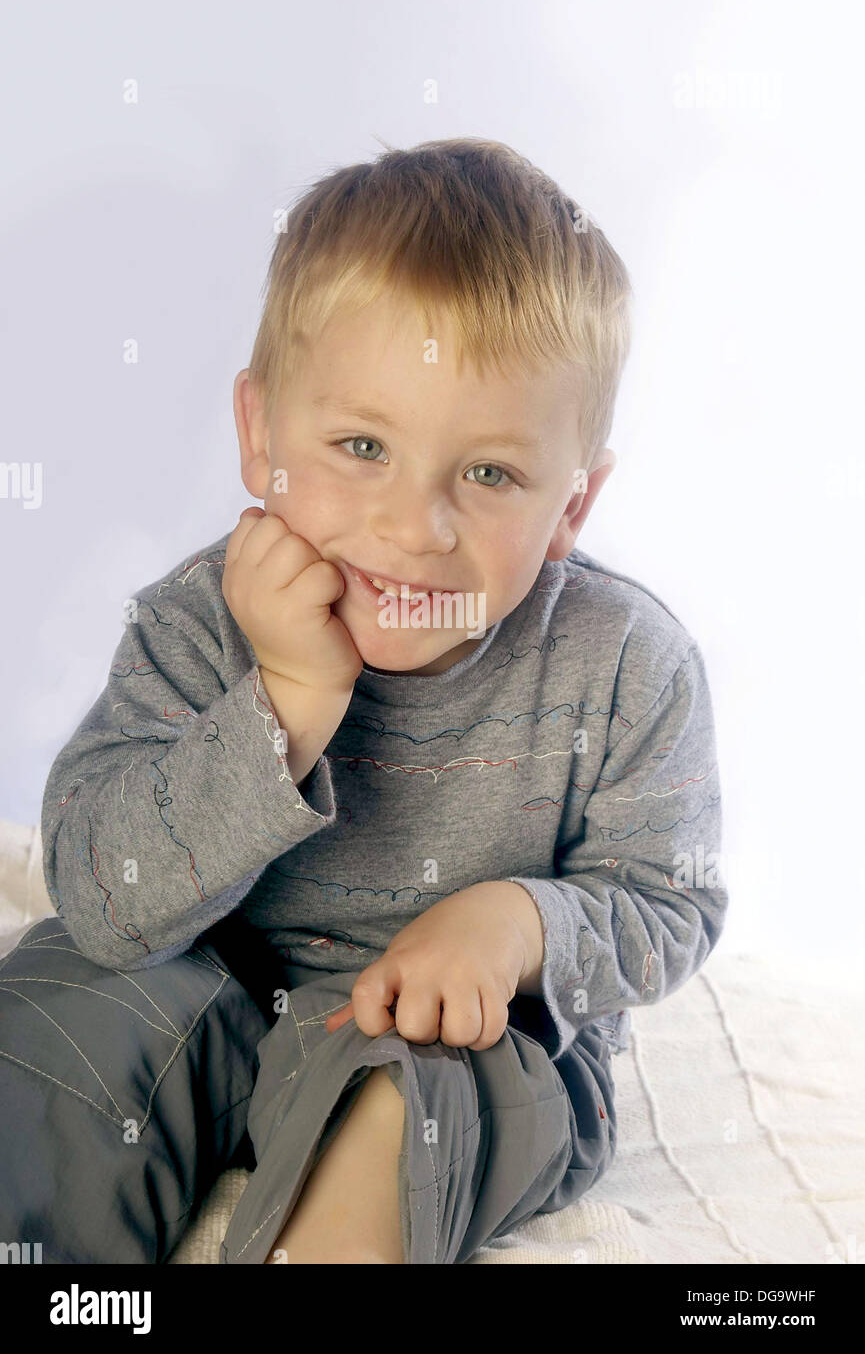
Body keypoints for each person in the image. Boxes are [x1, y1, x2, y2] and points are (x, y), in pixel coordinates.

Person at [0, 137, 727, 1264]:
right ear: (260, 435)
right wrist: (285, 702)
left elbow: (671, 904)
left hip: (459, 1039)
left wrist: (519, 924)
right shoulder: (201, 620)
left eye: (488, 474)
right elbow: (104, 896)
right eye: (361, 447)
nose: (414, 527)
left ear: (572, 501)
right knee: (61, 1004)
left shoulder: (627, 662)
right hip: (210, 992)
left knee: (415, 1093)